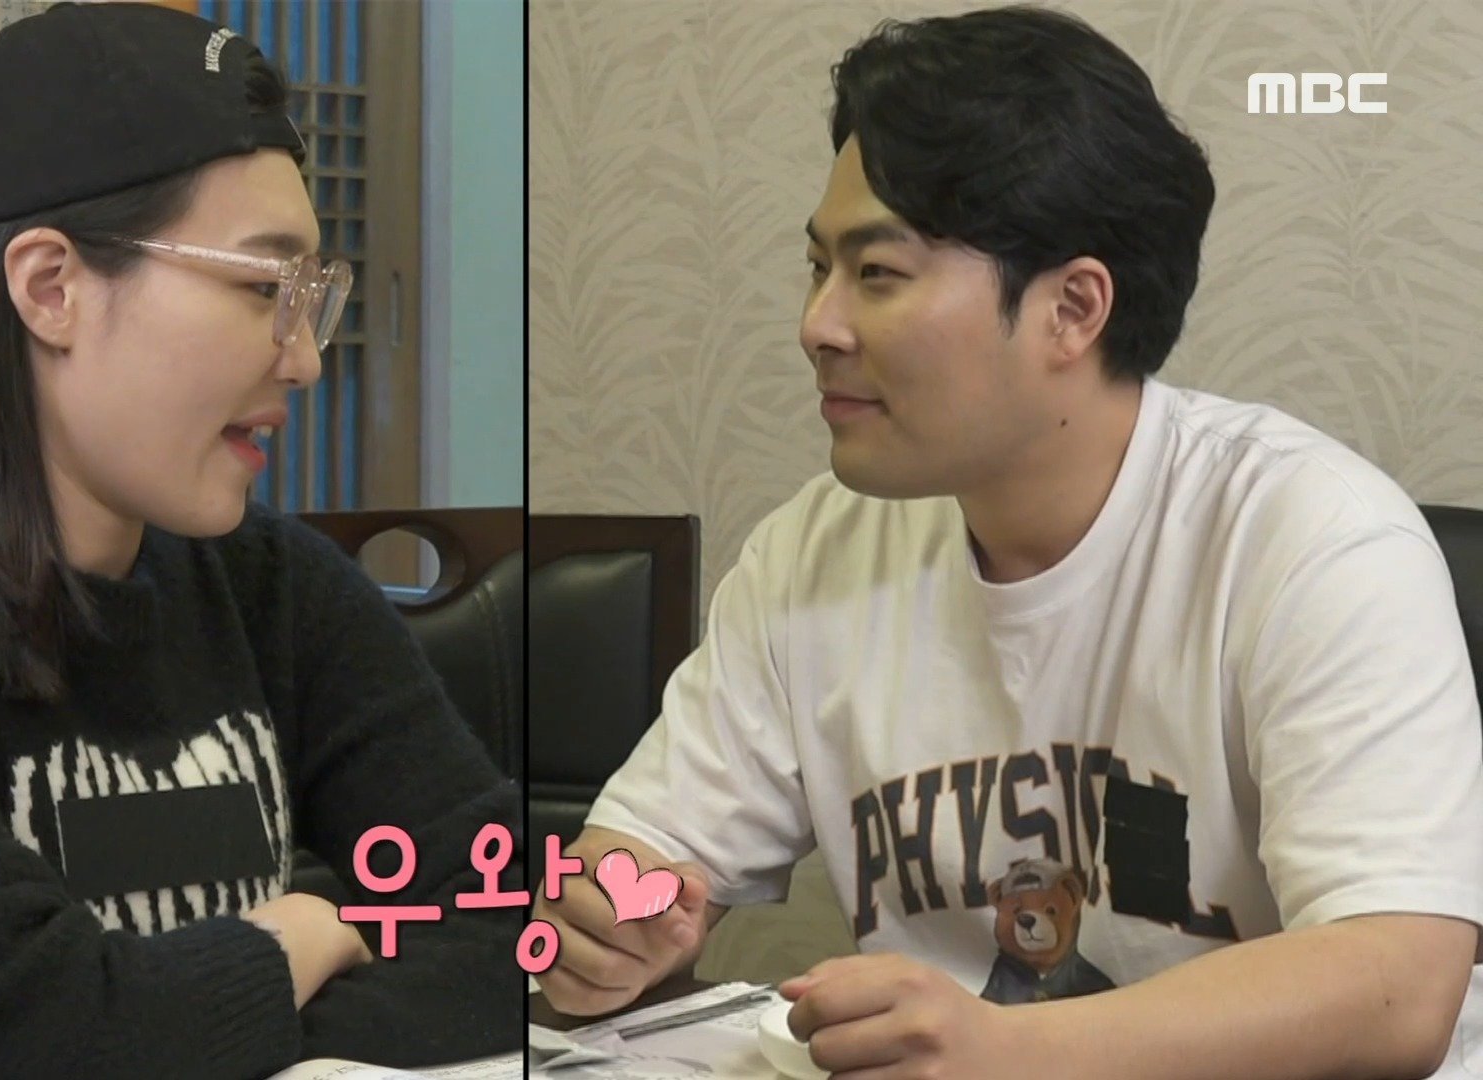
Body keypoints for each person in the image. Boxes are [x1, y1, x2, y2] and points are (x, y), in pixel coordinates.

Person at [534, 6, 1483, 1078]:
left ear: (1072, 309)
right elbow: (647, 855)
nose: (818, 325)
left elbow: (1399, 981)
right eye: (817, 267)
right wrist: (609, 924)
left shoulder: (1315, 540)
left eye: (876, 274)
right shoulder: (813, 551)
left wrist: (1012, 1051)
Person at [0, 6, 522, 1078]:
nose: (303, 358)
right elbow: (36, 1042)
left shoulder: (270, 585)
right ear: (51, 288)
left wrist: (212, 1025)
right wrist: (298, 940)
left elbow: (499, 910)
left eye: (310, 298)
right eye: (263, 288)